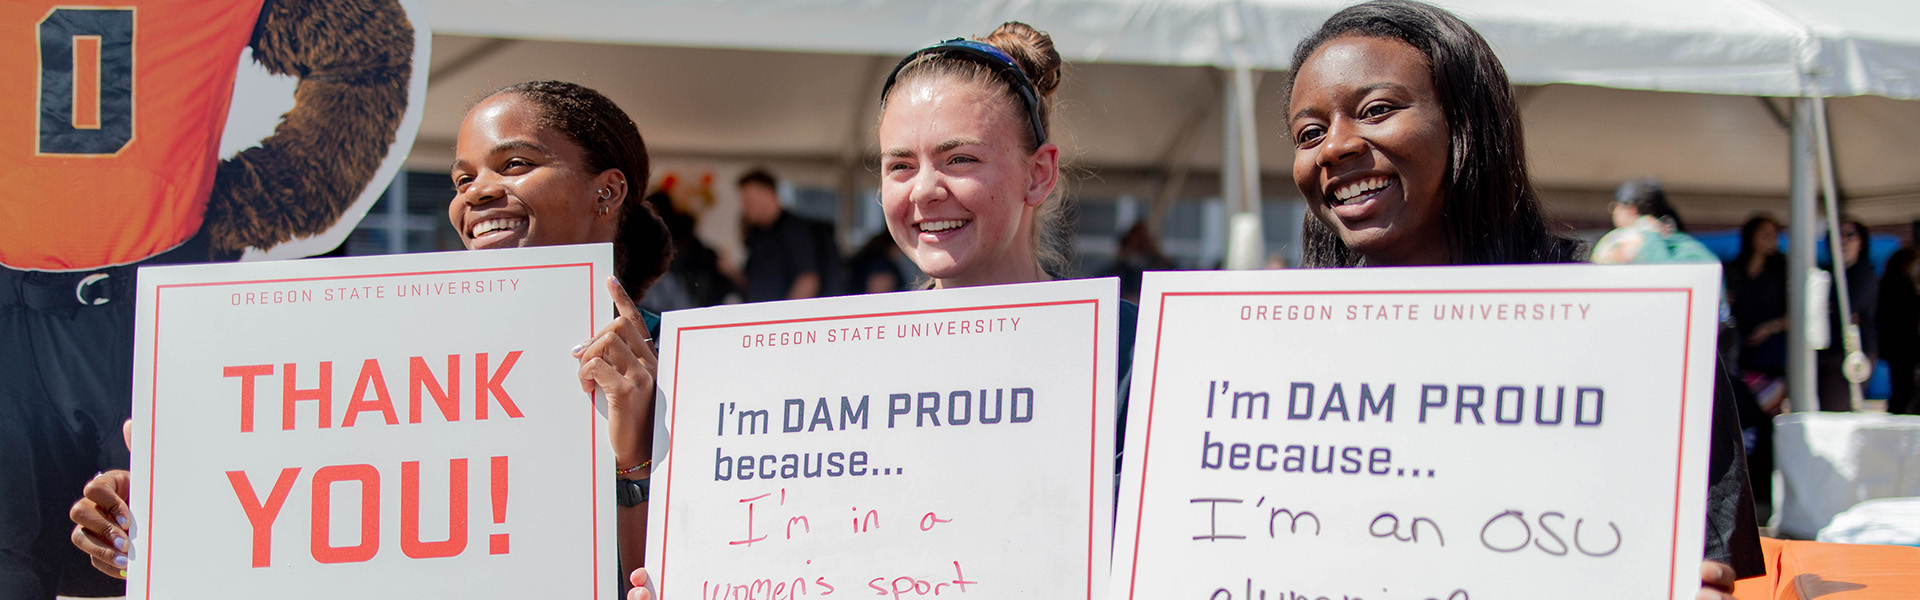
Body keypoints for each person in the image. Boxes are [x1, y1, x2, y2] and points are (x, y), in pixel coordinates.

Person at [66, 80, 673, 586]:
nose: (479, 192)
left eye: (515, 164)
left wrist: (637, 459)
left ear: (608, 190)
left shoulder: (691, 363)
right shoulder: (390, 356)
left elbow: (690, 568)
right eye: (463, 180)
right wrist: (162, 521)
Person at [1283, 1, 1762, 596]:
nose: (1334, 148)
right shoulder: (1282, 351)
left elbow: (1703, 554)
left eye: (1377, 110)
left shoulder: (1630, 327)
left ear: (1467, 123)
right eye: (1309, 134)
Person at [625, 21, 1112, 600]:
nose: (926, 189)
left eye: (960, 158)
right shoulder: (840, 365)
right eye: (900, 165)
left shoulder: (1126, 356)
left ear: (1040, 173)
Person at [736, 169, 832, 301]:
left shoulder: (794, 229)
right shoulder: (757, 235)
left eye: (749, 200)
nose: (745, 207)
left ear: (768, 193)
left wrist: (786, 318)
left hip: (781, 318)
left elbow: (808, 279)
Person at [1727, 215, 1790, 410]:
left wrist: (1770, 328)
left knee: (1768, 412)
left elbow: (1798, 312)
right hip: (1741, 352)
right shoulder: (1735, 270)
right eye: (1764, 235)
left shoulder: (1784, 269)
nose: (1771, 240)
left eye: (1774, 235)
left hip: (1772, 354)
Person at [1817, 218, 1877, 411]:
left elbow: (1845, 311)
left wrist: (1827, 309)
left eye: (1850, 235)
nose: (1842, 240)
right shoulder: (1824, 273)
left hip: (1849, 355)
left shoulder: (1864, 275)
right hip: (1822, 352)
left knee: (1835, 413)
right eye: (1837, 235)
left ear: (1861, 241)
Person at [1592, 179, 1718, 265]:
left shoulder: (1618, 241)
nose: (1614, 212)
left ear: (1631, 209)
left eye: (1614, 207)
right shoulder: (1682, 241)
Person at [1879, 246, 1920, 414]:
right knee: (1906, 391)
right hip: (1903, 346)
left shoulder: (1887, 287)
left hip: (1897, 347)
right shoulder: (1900, 290)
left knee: (1902, 391)